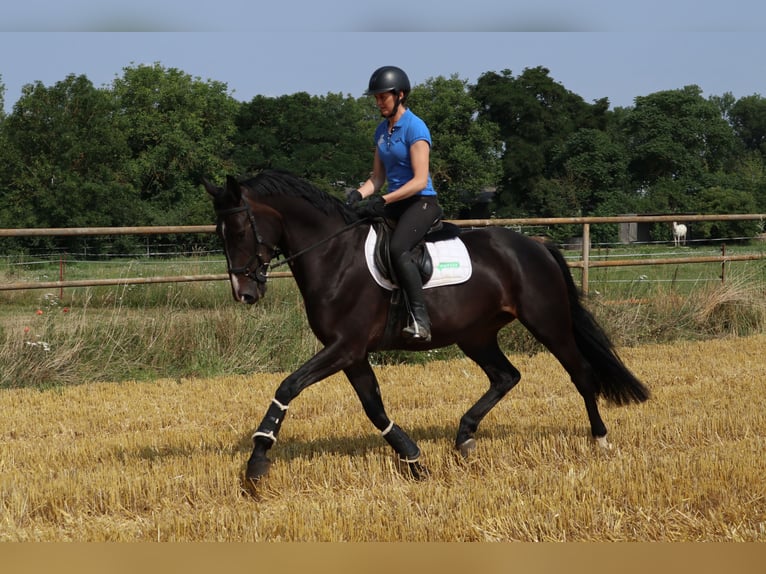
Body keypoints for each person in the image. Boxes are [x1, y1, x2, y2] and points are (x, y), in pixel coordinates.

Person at [346, 65, 442, 342]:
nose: (378, 103)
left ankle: (421, 320)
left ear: (400, 95)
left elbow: (420, 180)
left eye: (382, 97)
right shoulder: (382, 130)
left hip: (421, 202)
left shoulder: (415, 127)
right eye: (375, 98)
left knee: (399, 247)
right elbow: (377, 177)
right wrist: (358, 194)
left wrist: (383, 200)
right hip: (395, 202)